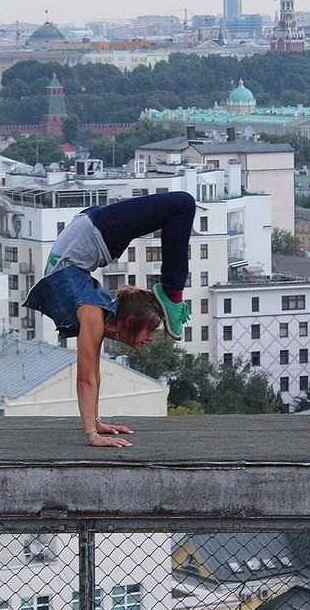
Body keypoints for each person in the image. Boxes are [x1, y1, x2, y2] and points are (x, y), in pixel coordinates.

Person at [23, 191, 196, 447]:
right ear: (129, 322)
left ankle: (172, 291)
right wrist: (92, 436)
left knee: (179, 208)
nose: (151, 338)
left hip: (93, 232)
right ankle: (172, 294)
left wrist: (96, 422)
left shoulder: (99, 316)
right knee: (183, 204)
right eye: (150, 330)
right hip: (94, 231)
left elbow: (93, 373)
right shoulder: (94, 313)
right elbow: (85, 379)